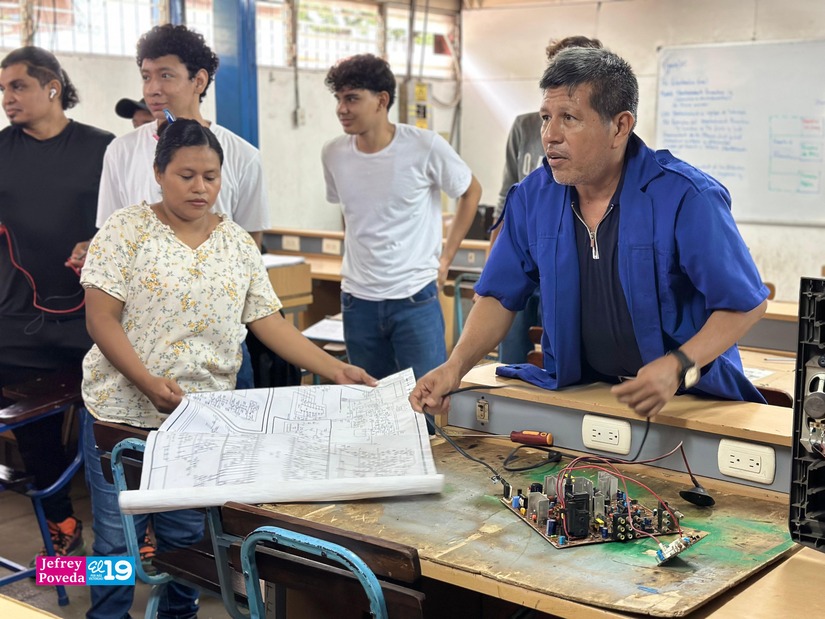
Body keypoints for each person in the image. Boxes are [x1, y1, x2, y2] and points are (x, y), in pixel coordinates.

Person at [80, 119, 375, 619]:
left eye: (210, 177)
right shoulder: (125, 230)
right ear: (159, 174)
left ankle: (179, 614)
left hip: (198, 422)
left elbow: (268, 321)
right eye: (186, 176)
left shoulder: (236, 243)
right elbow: (100, 318)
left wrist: (335, 369)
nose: (200, 187)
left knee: (186, 540)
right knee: (113, 544)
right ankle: (102, 614)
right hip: (120, 414)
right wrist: (146, 382)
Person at [411, 47, 769, 421]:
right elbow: (499, 296)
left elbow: (746, 303)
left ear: (620, 126)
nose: (550, 136)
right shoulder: (533, 197)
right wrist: (455, 366)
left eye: (569, 118)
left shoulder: (685, 197)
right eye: (546, 118)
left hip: (687, 402)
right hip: (584, 397)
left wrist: (678, 364)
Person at [90, 23, 273, 390]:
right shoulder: (121, 152)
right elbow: (108, 242)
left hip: (218, 348)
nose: (152, 89)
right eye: (146, 76)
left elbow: (248, 244)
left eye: (166, 75)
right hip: (141, 348)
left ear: (199, 81)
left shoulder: (242, 155)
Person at [0, 47, 114, 559]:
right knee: (36, 438)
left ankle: (137, 533)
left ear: (52, 87)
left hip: (94, 318)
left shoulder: (102, 149)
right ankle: (62, 533)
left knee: (114, 433)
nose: (7, 98)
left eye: (18, 86)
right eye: (3, 89)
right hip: (18, 321)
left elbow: (128, 223)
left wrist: (97, 243)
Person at [322, 53, 482, 383]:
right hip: (357, 301)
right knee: (369, 399)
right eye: (338, 98)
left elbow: (471, 191)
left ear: (382, 100)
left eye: (352, 98)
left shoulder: (424, 146)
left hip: (414, 298)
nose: (341, 108)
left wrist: (446, 258)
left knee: (427, 399)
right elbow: (349, 213)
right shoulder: (333, 153)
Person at [492, 36, 602, 364]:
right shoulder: (525, 126)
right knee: (512, 350)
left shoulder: (598, 133)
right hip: (524, 253)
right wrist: (494, 255)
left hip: (566, 260)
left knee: (559, 350)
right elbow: (507, 194)